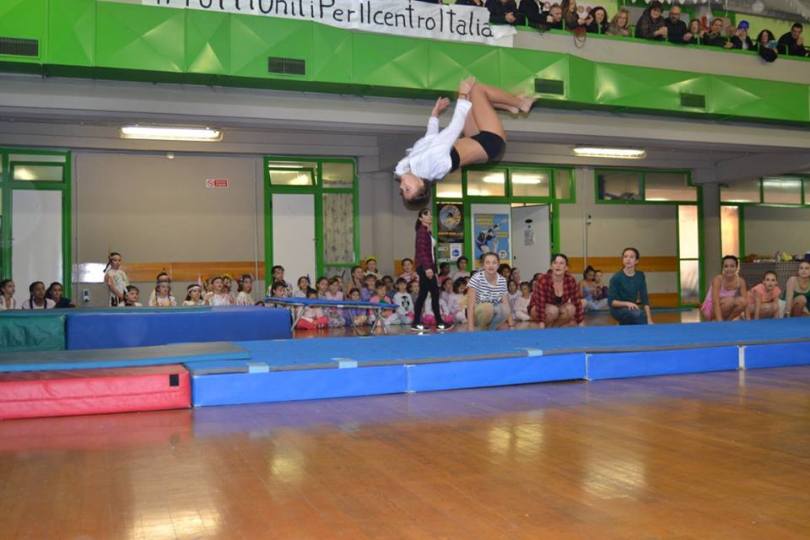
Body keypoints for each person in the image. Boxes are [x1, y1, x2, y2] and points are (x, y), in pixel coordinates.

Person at [396, 77, 534, 209]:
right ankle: (521, 103)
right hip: (490, 143)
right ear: (421, 184)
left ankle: (510, 107)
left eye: (403, 191)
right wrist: (461, 95)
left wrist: (434, 115)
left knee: (469, 98)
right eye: (408, 189)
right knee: (476, 90)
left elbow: (428, 140)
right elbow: (454, 128)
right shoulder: (433, 163)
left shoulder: (420, 168)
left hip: (474, 139)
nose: (402, 186)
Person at [529, 253, 584, 328]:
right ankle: (543, 329)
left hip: (559, 307)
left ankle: (553, 329)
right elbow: (540, 304)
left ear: (566, 267)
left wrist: (580, 322)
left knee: (571, 309)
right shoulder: (543, 280)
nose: (558, 265)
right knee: (553, 311)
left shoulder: (570, 280)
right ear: (551, 266)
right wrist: (541, 323)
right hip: (537, 308)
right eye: (555, 263)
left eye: (561, 263)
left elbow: (576, 301)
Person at [466, 252, 513, 331]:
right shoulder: (476, 278)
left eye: (494, 263)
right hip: (477, 312)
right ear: (483, 265)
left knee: (505, 309)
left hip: (493, 311)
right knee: (487, 307)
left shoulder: (502, 280)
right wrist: (470, 329)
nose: (491, 265)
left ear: (498, 265)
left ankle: (491, 330)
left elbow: (506, 303)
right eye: (487, 263)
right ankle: (482, 329)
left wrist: (511, 325)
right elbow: (470, 306)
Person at [608, 247, 653, 325]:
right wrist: (627, 303)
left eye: (631, 257)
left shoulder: (640, 275)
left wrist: (649, 319)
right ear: (622, 259)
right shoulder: (616, 277)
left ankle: (623, 327)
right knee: (637, 314)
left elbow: (644, 298)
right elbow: (611, 302)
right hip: (618, 309)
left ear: (636, 261)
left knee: (642, 318)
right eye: (625, 256)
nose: (628, 259)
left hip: (632, 308)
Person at [701, 255, 748, 321]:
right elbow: (715, 302)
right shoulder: (718, 280)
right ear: (722, 268)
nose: (729, 269)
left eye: (732, 266)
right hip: (711, 309)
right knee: (731, 301)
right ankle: (718, 320)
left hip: (727, 306)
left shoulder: (741, 281)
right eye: (726, 266)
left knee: (743, 301)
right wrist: (720, 322)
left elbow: (746, 303)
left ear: (737, 267)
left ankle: (728, 320)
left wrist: (749, 321)